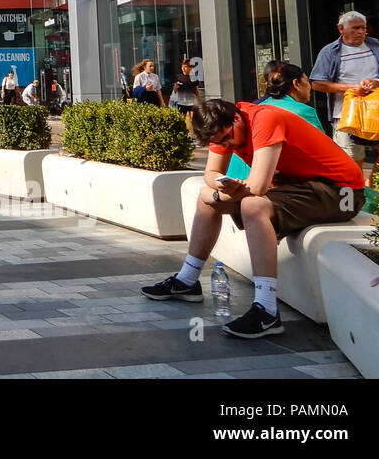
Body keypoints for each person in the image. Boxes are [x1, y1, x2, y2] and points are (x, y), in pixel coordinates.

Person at [141, 98, 364, 338]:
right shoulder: (221, 126)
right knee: (206, 199)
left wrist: (217, 194)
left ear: (236, 119)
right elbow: (211, 173)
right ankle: (188, 280)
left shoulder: (265, 119)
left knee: (251, 206)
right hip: (301, 188)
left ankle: (267, 309)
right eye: (219, 142)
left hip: (342, 193)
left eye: (227, 138)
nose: (226, 144)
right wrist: (218, 187)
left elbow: (258, 186)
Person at [309, 10, 379, 164]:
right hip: (345, 117)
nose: (361, 32)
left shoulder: (373, 45)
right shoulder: (329, 52)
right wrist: (351, 87)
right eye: (356, 28)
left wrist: (376, 81)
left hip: (376, 114)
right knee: (352, 163)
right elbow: (316, 84)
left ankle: (371, 187)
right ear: (341, 29)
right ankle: (359, 188)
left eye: (363, 28)